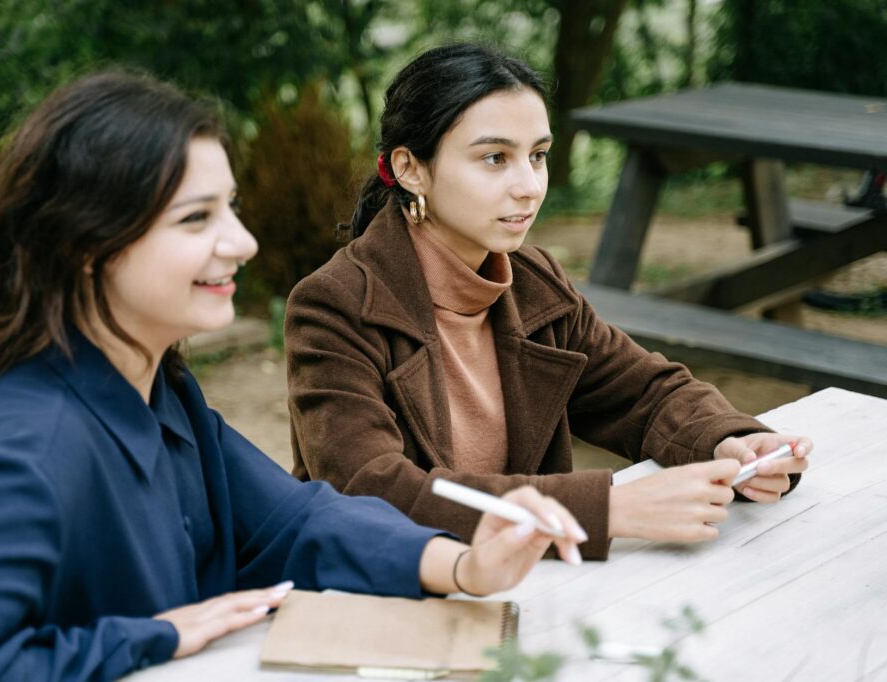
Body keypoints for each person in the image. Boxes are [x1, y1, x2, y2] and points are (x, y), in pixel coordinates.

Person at [0, 71, 587, 681]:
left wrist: (461, 565)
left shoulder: (160, 393)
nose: (241, 242)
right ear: (85, 246)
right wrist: (156, 635)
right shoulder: (27, 437)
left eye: (232, 208)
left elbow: (296, 520)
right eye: (196, 218)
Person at [284, 44, 812, 561]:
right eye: (495, 158)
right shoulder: (334, 306)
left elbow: (642, 394)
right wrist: (604, 510)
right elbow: (371, 490)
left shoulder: (534, 282)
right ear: (410, 168)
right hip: (398, 596)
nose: (529, 186)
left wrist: (733, 442)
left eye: (537, 156)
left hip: (534, 583)